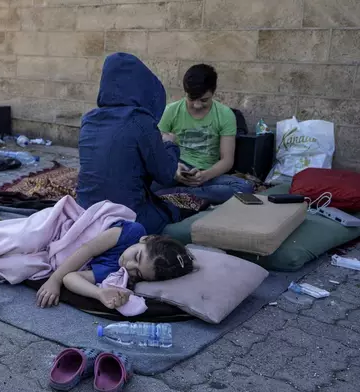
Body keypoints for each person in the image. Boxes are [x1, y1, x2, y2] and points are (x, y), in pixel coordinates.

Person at [76, 52, 183, 235]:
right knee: (175, 210)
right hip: (126, 220)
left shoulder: (89, 119)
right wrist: (169, 145)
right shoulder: (140, 121)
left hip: (85, 214)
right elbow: (165, 175)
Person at [36, 219, 194, 309]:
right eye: (137, 257)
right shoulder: (132, 232)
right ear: (146, 239)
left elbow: (71, 277)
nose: (129, 265)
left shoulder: (116, 272)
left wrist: (99, 293)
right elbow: (87, 248)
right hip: (68, 226)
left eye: (138, 273)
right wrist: (54, 279)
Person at [156, 64, 253, 204]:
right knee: (142, 181)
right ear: (185, 92)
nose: (197, 105)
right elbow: (157, 152)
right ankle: (190, 198)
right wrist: (174, 168)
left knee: (244, 187)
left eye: (203, 100)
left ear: (213, 92)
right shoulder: (171, 111)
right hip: (176, 170)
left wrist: (204, 176)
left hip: (207, 175)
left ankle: (175, 196)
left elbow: (227, 160)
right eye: (192, 99)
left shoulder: (225, 114)